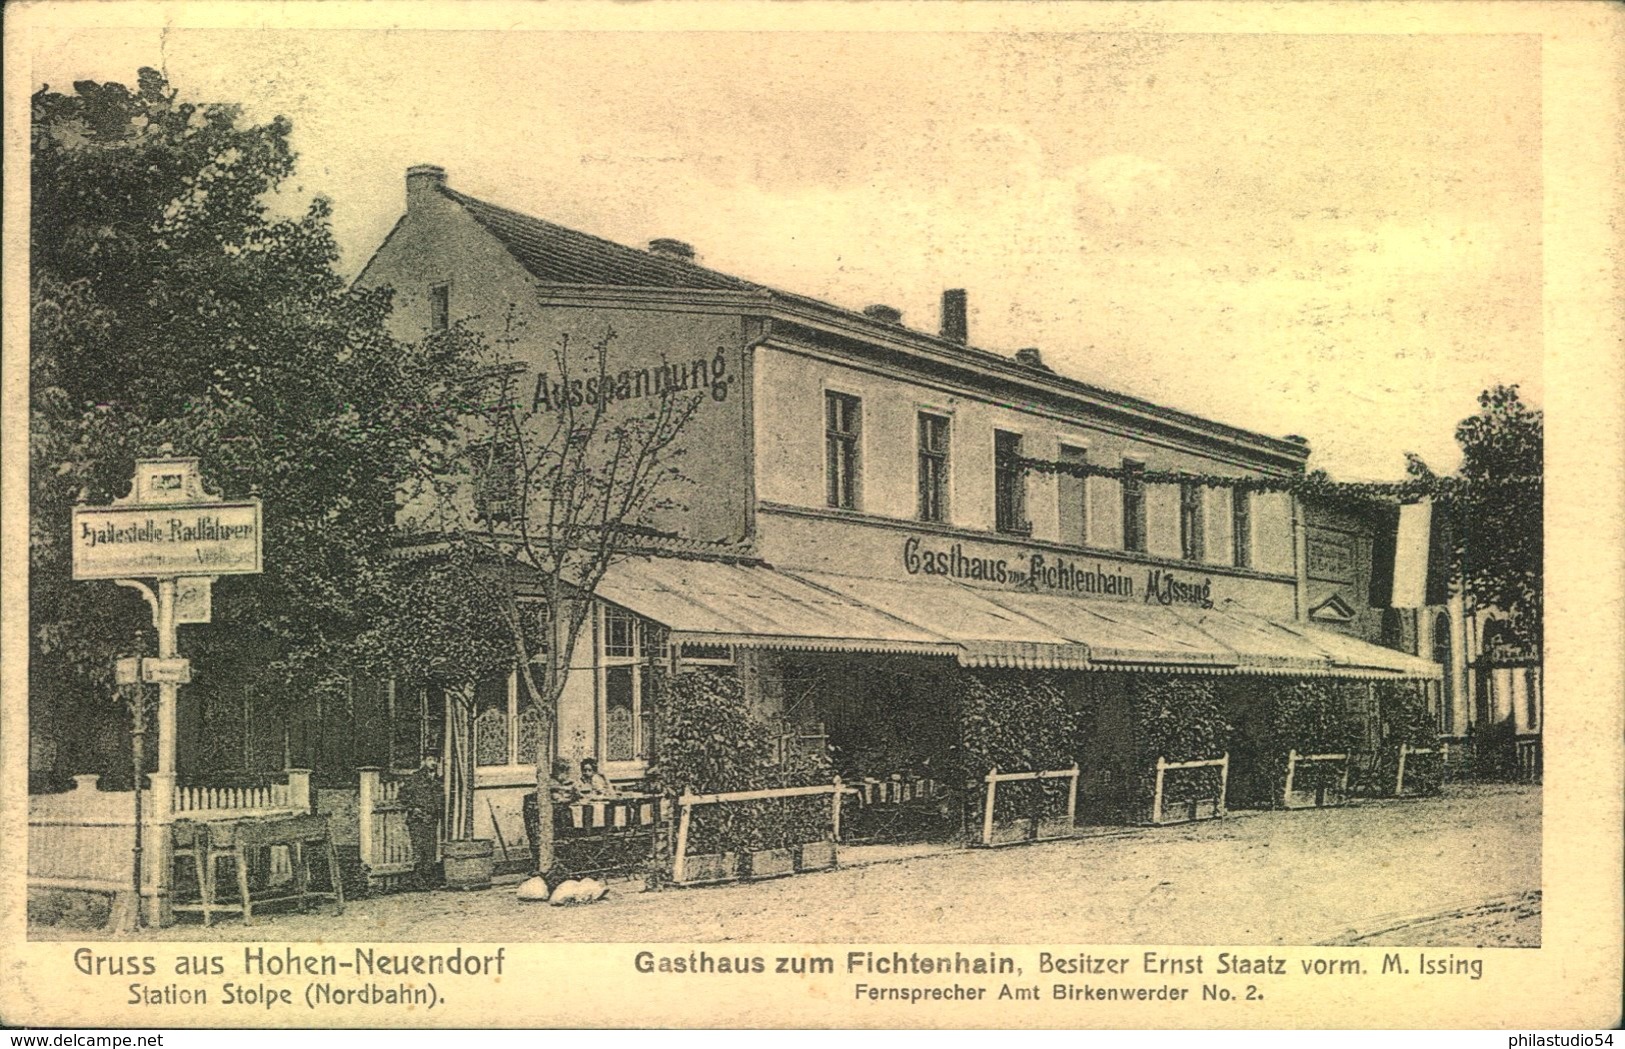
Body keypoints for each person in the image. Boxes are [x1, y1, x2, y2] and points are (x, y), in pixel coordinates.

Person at [399, 755, 443, 891]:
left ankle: (429, 880)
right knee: (419, 849)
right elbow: (402, 796)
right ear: (423, 761)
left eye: (436, 760)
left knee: (430, 850)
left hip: (431, 819)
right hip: (417, 819)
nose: (433, 763)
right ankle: (417, 880)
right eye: (430, 760)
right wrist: (414, 808)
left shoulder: (438, 779)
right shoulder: (414, 778)